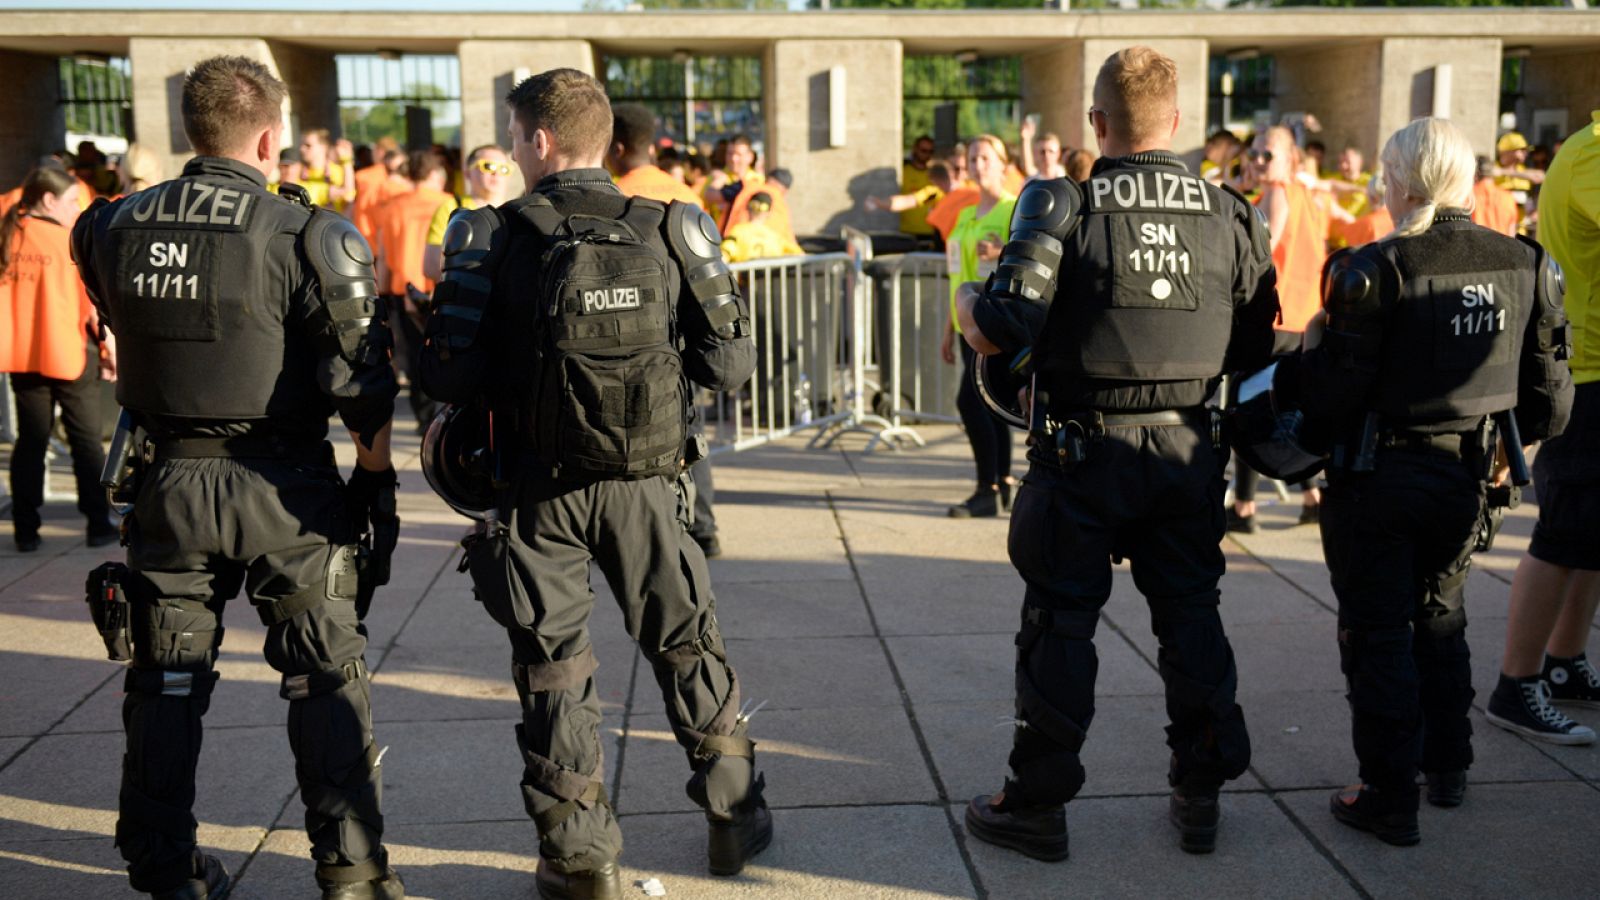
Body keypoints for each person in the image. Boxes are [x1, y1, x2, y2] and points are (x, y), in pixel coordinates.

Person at [417, 68, 770, 899]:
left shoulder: (489, 236)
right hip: (651, 483)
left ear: (537, 141)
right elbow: (731, 366)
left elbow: (448, 374)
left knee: (554, 666)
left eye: (514, 137)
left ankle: (582, 862)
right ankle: (731, 810)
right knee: (685, 641)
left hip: (539, 492)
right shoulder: (671, 227)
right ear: (603, 140)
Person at [71, 55, 404, 898]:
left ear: (193, 130)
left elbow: (109, 305)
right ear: (269, 135)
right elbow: (359, 386)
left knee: (164, 681)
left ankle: (161, 868)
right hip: (282, 489)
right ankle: (353, 875)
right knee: (323, 678)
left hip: (167, 483)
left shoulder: (110, 225)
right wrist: (375, 484)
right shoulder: (303, 234)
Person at [955, 45, 1276, 858]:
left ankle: (1035, 806)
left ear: (1098, 124)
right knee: (1191, 620)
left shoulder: (1064, 201)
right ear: (1176, 123)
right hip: (1184, 455)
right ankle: (1199, 792)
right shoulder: (1233, 212)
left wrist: (965, 300)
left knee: (1059, 629)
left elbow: (1000, 326)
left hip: (1080, 457)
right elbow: (1253, 343)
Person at [1275, 117, 1573, 843]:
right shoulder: (1529, 264)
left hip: (1380, 478)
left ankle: (1388, 795)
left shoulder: (1372, 269)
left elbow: (1326, 401)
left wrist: (1304, 360)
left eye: (1385, 173)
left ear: (1401, 180)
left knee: (1377, 634)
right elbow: (1551, 402)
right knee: (1441, 617)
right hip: (1472, 481)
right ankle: (1448, 767)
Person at [1488, 109, 1600, 745]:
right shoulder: (1593, 153)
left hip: (1593, 369)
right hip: (1586, 372)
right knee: (1563, 531)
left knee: (1591, 535)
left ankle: (1562, 664)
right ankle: (1517, 682)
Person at [607, 103, 725, 558]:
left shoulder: (617, 197)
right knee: (691, 430)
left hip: (638, 334)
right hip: (685, 331)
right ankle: (705, 527)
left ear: (616, 147)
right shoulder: (684, 193)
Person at [1, 166, 116, 551]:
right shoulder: (65, 242)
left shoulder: (8, 234)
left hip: (22, 355)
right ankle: (98, 524)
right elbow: (92, 306)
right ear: (48, 201)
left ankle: (25, 528)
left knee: (31, 441)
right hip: (68, 353)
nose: (75, 210)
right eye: (70, 202)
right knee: (85, 441)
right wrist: (108, 350)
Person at [1229, 125, 1326, 532]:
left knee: (1246, 406)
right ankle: (1311, 498)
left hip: (1276, 319)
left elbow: (1262, 246)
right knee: (1288, 409)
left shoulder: (1280, 191)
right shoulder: (1307, 195)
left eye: (1267, 155)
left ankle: (1244, 507)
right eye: (1253, 153)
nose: (1257, 161)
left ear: (1289, 159)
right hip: (1304, 319)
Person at [942, 135, 1017, 519]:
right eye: (972, 158)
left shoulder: (1012, 209)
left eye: (986, 157)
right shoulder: (965, 214)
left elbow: (1031, 258)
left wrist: (1001, 251)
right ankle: (1002, 482)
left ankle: (986, 488)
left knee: (971, 403)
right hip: (965, 323)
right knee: (989, 406)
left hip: (992, 324)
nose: (978, 164)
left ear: (1004, 164)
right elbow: (958, 274)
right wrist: (946, 328)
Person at [373, 149, 451, 432]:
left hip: (400, 288)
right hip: (439, 289)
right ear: (434, 174)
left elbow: (382, 252)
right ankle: (442, 413)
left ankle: (423, 416)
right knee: (444, 352)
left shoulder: (390, 206)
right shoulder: (446, 202)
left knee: (416, 354)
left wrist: (380, 292)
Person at [422, 144, 512, 282]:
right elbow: (430, 266)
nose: (496, 173)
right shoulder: (451, 207)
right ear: (467, 172)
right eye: (488, 166)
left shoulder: (514, 211)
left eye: (504, 169)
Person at [720, 191, 802, 262]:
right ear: (769, 213)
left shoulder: (738, 231)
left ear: (748, 208)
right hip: (772, 279)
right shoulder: (774, 235)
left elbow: (727, 251)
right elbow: (799, 254)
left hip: (746, 279)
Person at [293, 128, 355, 213]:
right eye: (301, 145)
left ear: (323, 147)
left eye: (308, 145)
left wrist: (347, 161)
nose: (302, 149)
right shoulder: (297, 172)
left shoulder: (337, 172)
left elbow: (349, 197)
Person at [899, 134, 938, 236]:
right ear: (915, 149)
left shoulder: (936, 175)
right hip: (906, 231)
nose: (927, 155)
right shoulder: (903, 172)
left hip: (931, 232)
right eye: (923, 151)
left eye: (931, 152)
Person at [1471, 156, 1519, 238]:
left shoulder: (1468, 196)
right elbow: (1512, 232)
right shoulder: (1508, 197)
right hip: (1503, 247)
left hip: (1477, 247)